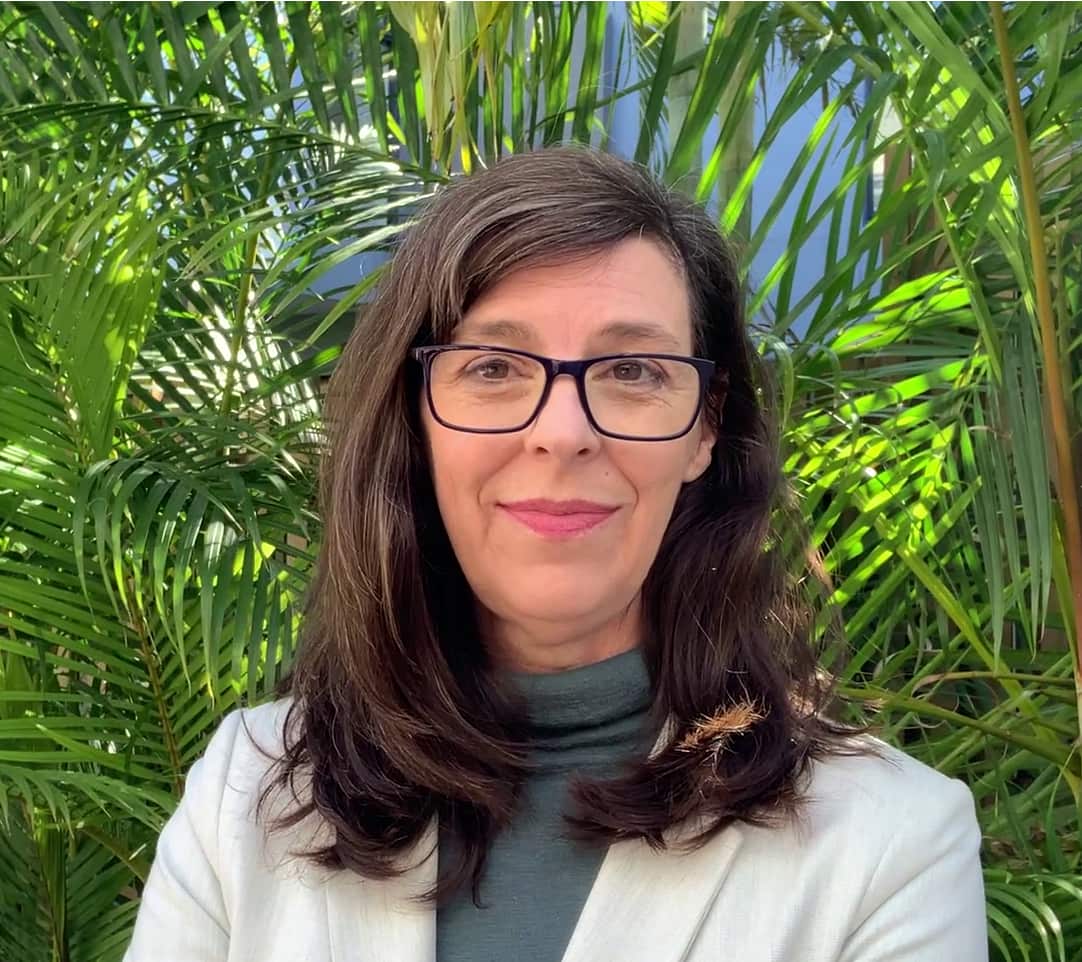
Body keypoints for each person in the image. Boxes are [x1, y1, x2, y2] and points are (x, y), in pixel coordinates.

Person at [123, 145, 987, 962]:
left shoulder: (891, 843)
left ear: (705, 428)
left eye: (635, 372)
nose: (561, 433)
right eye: (495, 367)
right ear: (416, 421)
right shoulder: (248, 799)